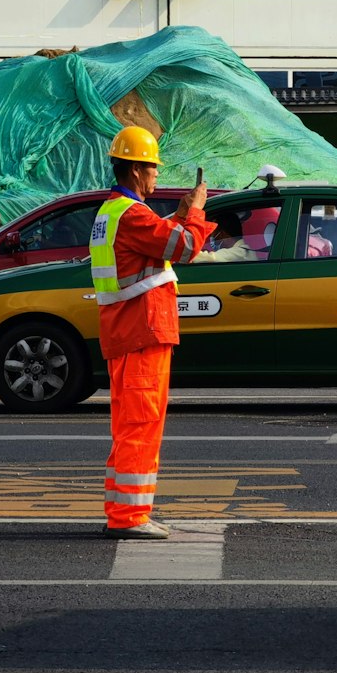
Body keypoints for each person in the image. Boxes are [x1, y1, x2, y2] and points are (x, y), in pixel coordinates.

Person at [89, 125, 215, 541]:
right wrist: (195, 211)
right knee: (141, 425)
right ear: (137, 171)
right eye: (155, 169)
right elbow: (182, 248)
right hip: (141, 332)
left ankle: (125, 512)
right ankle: (128, 518)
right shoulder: (132, 214)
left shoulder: (114, 212)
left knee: (131, 426)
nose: (158, 176)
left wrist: (179, 216)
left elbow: (154, 243)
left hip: (130, 332)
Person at [193, 206, 278, 264]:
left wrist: (185, 253)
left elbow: (210, 258)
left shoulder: (239, 253)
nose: (211, 238)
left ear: (222, 234)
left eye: (213, 234)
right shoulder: (243, 251)